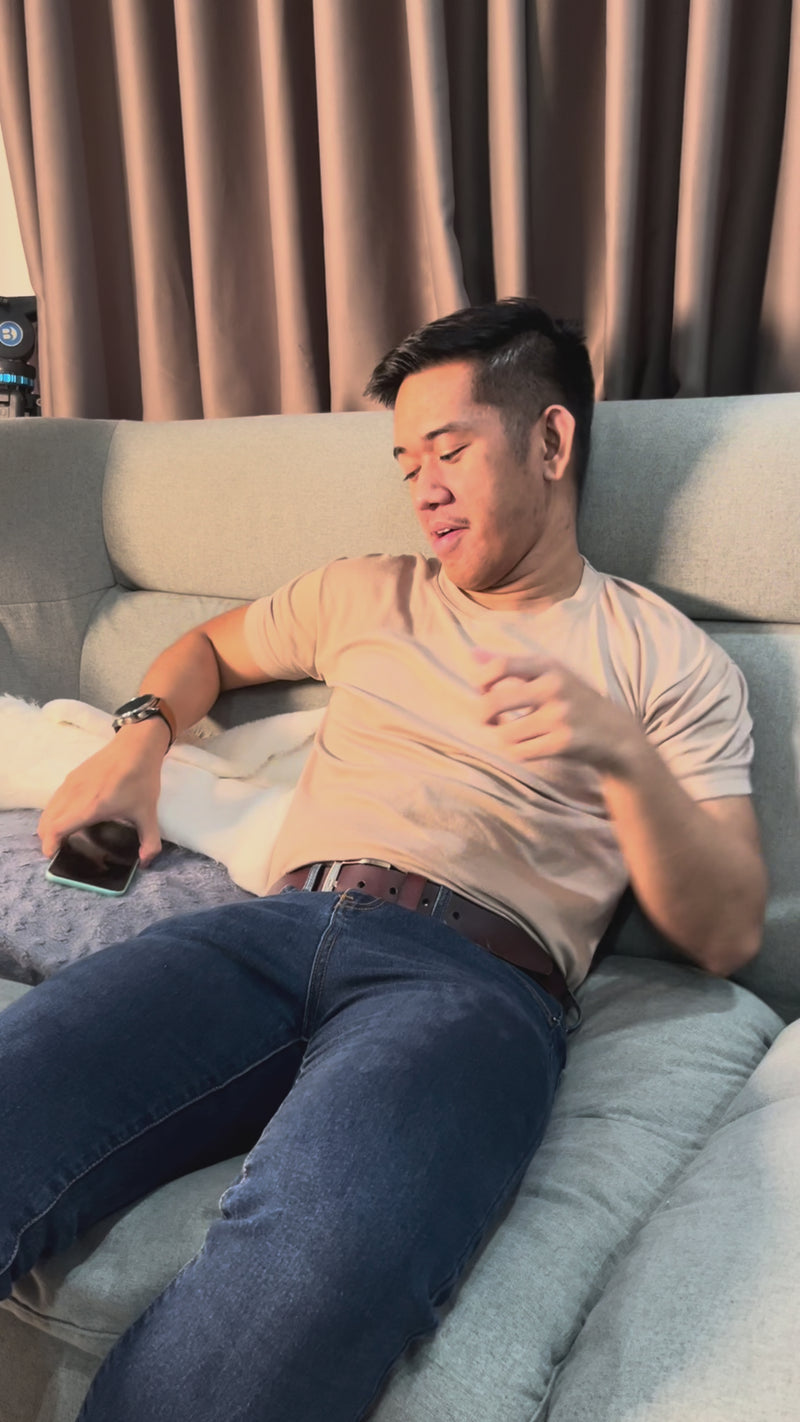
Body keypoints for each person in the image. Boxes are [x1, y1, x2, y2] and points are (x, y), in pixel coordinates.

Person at [1, 299, 767, 1422]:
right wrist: (139, 738)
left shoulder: (666, 658)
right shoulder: (365, 591)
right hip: (268, 928)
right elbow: (207, 647)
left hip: (472, 986)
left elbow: (727, 933)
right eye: (406, 463)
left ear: (551, 441)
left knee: (311, 1270)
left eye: (449, 450)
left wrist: (619, 756)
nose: (423, 489)